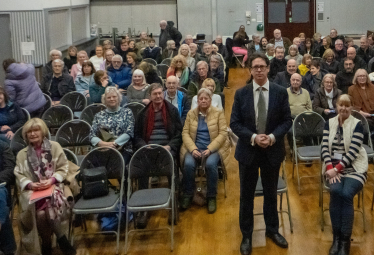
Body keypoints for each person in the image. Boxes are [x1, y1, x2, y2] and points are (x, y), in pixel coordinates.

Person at [230, 53, 292, 255]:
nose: (258, 70)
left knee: (271, 194)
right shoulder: (241, 94)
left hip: (272, 151)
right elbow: (235, 124)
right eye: (255, 67)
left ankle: (272, 230)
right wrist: (254, 137)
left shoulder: (280, 92)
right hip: (248, 151)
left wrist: (273, 137)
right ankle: (246, 235)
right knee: (246, 196)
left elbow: (287, 121)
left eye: (262, 66)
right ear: (250, 70)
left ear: (268, 69)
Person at [14, 118, 77, 255]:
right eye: (29, 131)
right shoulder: (21, 154)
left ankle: (48, 245)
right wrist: (31, 184)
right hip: (33, 193)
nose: (32, 134)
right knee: (41, 213)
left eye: (36, 130)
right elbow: (19, 175)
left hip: (55, 187)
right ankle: (60, 240)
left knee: (44, 211)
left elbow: (64, 168)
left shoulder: (55, 147)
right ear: (25, 135)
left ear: (43, 132)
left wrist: (51, 180)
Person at [321, 94, 367, 255]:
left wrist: (337, 168)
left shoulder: (357, 124)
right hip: (331, 167)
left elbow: (353, 151)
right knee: (335, 191)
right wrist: (329, 167)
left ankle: (345, 241)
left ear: (352, 107)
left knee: (346, 194)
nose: (344, 108)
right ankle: (336, 239)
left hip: (354, 167)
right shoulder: (329, 123)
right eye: (341, 105)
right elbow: (324, 147)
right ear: (337, 106)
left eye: (347, 106)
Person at [133, 83, 183, 228]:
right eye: (155, 94)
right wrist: (144, 146)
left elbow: (179, 134)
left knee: (171, 165)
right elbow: (137, 136)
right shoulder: (143, 114)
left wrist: (170, 146)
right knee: (141, 167)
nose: (158, 96)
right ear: (150, 96)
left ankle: (174, 203)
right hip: (148, 149)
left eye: (160, 93)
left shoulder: (172, 111)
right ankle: (143, 208)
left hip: (166, 148)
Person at [180, 88, 230, 214]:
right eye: (200, 99)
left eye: (206, 98)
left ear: (210, 100)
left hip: (213, 148)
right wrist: (193, 149)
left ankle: (211, 196)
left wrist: (210, 149)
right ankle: (188, 193)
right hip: (195, 148)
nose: (203, 101)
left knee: (210, 164)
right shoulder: (191, 114)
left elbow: (223, 133)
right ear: (197, 100)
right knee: (188, 164)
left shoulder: (218, 113)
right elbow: (185, 133)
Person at [90, 87, 134, 165]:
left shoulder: (127, 112)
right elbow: (92, 136)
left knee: (116, 164)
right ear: (105, 100)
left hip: (123, 149)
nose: (111, 99)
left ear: (119, 98)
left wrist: (114, 143)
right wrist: (104, 144)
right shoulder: (99, 115)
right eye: (109, 97)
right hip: (103, 149)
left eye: (114, 96)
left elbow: (129, 132)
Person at [0, 140, 17, 255]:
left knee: (0, 196)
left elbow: (10, 169)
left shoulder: (3, 146)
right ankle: (9, 248)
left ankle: (8, 249)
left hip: (0, 185)